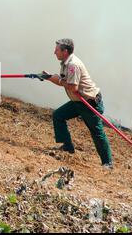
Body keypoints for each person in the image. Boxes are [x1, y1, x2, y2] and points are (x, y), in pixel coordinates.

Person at [43, 38, 113, 169]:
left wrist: (55, 79)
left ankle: (107, 163)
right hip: (77, 101)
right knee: (58, 115)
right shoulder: (65, 63)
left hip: (89, 102)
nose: (54, 52)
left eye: (57, 50)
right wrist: (49, 78)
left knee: (96, 132)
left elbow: (73, 87)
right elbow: (64, 81)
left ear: (65, 51)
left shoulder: (72, 65)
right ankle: (67, 147)